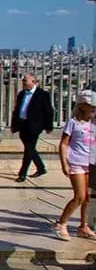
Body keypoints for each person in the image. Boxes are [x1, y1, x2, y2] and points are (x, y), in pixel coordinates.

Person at [53, 90, 96, 241]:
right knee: (79, 196)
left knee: (87, 198)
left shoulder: (93, 122)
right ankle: (61, 223)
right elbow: (64, 144)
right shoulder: (73, 122)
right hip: (76, 161)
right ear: (82, 105)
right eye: (90, 105)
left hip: (90, 162)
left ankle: (83, 226)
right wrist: (64, 163)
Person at [10, 73, 54, 182]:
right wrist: (14, 125)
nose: (23, 82)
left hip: (34, 125)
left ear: (33, 82)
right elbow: (17, 110)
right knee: (30, 148)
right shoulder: (21, 94)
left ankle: (22, 173)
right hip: (23, 124)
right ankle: (41, 167)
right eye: (23, 80)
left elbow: (48, 111)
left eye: (26, 80)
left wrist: (48, 126)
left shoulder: (42, 94)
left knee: (29, 149)